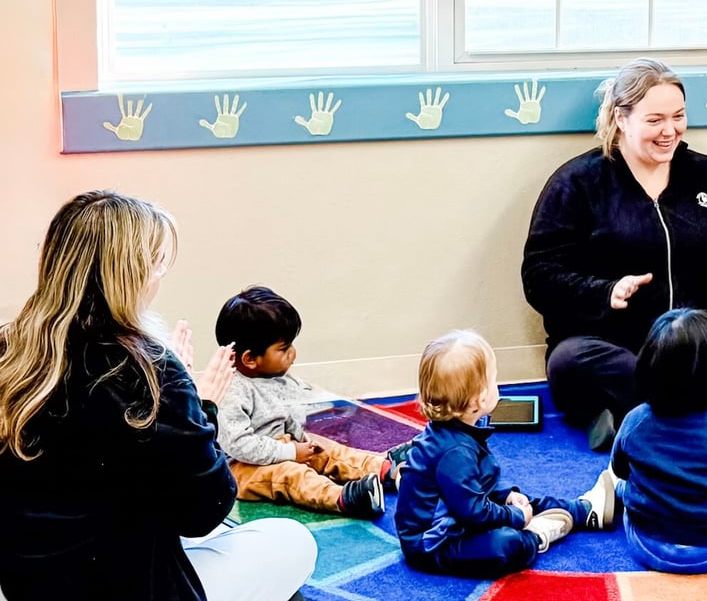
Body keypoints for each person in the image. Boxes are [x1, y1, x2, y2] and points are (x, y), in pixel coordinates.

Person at [0, 190, 316, 601]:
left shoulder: (10, 349)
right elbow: (205, 509)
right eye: (157, 264)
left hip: (27, 582)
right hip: (131, 586)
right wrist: (201, 407)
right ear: (130, 274)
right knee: (290, 540)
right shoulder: (151, 372)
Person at [522, 58, 707, 451]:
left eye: (678, 116)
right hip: (618, 345)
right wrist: (605, 292)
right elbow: (540, 276)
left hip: (698, 342)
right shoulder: (578, 182)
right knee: (570, 363)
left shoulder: (706, 175)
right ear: (621, 119)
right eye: (655, 120)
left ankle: (637, 418)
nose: (669, 130)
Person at [394, 330, 617, 578]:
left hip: (459, 517)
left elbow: (481, 483)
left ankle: (584, 511)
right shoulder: (454, 453)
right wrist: (515, 518)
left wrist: (509, 496)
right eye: (493, 380)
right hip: (433, 545)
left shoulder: (461, 429)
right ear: (477, 401)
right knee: (504, 544)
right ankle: (536, 535)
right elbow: (475, 512)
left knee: (524, 501)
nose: (496, 384)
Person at [215, 286, 412, 519]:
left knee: (327, 450)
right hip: (241, 467)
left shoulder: (273, 378)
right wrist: (289, 452)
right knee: (292, 475)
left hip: (281, 445)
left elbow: (286, 416)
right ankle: (344, 498)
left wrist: (302, 442)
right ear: (250, 359)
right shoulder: (231, 391)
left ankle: (386, 469)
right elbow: (240, 446)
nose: (293, 353)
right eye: (284, 349)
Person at [609, 309, 707, 573]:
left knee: (626, 484)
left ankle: (616, 495)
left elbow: (621, 469)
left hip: (642, 542)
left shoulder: (635, 420)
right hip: (704, 554)